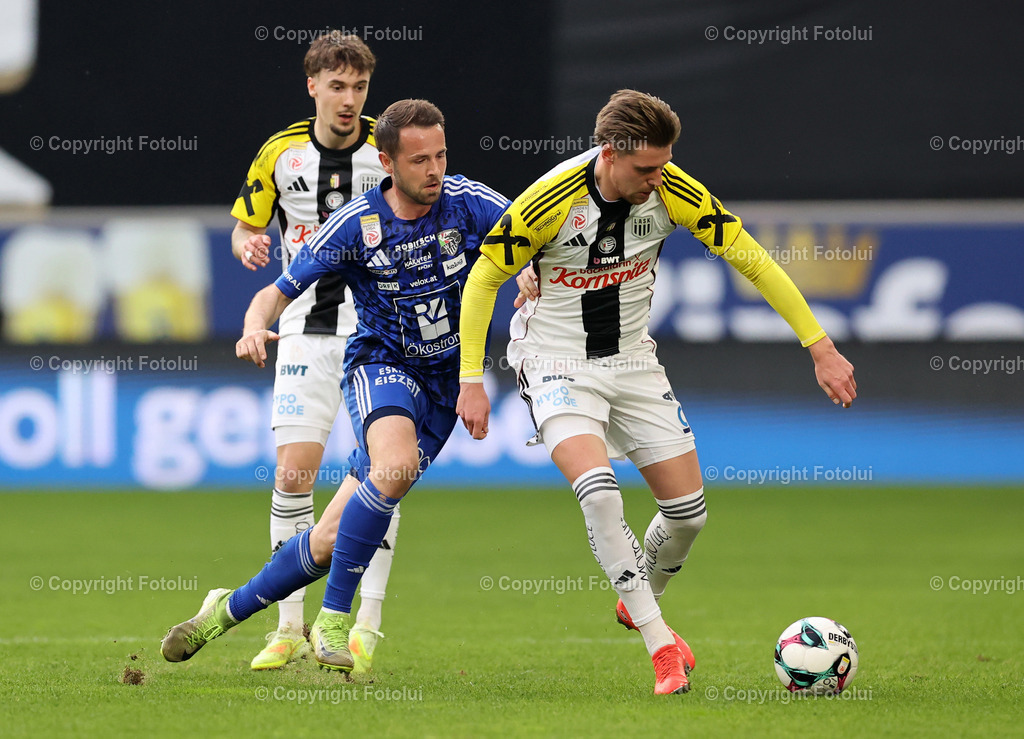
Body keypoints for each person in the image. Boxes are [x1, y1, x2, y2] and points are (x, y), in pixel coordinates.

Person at [455, 89, 857, 696]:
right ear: (609, 153)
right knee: (598, 491)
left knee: (688, 515)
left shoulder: (673, 190)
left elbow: (753, 260)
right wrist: (471, 380)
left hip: (636, 363)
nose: (657, 179)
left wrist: (819, 346)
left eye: (664, 164)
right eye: (646, 168)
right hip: (555, 361)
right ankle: (659, 641)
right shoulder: (549, 201)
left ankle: (638, 596)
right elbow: (485, 277)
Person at [162, 99, 511, 673]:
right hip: (381, 364)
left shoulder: (470, 204)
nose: (434, 170)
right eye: (420, 159)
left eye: (441, 155)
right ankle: (334, 620)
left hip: (445, 386)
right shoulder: (355, 224)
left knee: (327, 540)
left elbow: (527, 238)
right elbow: (277, 291)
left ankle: (222, 612)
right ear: (387, 161)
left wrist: (525, 272)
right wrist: (255, 325)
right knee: (392, 466)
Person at [228, 32, 396, 673]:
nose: (349, 100)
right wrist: (247, 241)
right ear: (313, 87)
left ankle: (366, 624)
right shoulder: (281, 153)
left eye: (358, 87)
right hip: (303, 329)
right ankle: (290, 626)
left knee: (383, 476)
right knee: (294, 476)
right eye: (337, 86)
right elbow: (249, 219)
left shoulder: (389, 148)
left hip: (380, 334)